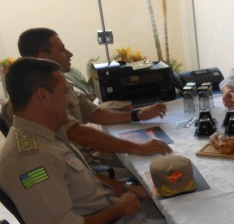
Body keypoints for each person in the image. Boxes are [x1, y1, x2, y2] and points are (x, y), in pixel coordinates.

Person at [0, 58, 183, 224]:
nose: (70, 102)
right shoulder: (29, 159)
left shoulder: (45, 134)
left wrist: (125, 189)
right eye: (64, 92)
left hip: (109, 223)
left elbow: (78, 184)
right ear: (42, 96)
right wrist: (120, 208)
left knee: (182, 208)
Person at [1, 28, 172, 159]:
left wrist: (137, 115)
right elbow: (78, 133)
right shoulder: (30, 100)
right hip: (80, 166)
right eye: (62, 50)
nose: (70, 54)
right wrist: (136, 148)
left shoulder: (60, 85)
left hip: (86, 158)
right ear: (44, 57)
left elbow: (93, 113)